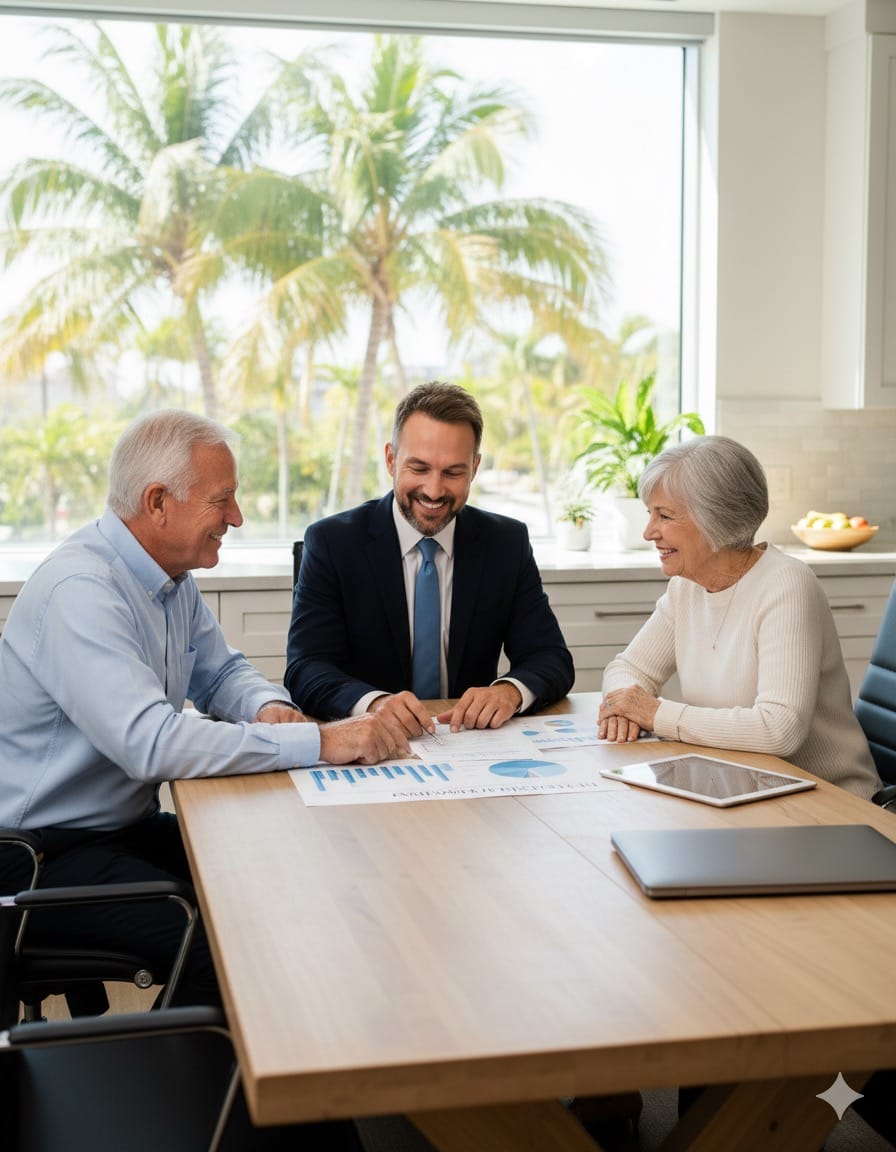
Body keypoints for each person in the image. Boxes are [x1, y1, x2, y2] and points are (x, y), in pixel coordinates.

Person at [0, 410, 405, 1016]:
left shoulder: (166, 577)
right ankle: (189, 1097)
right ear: (158, 502)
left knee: (283, 877)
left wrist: (268, 707)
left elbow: (220, 671)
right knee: (236, 943)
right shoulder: (80, 590)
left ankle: (300, 1070)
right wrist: (322, 742)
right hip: (36, 856)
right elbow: (154, 745)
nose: (236, 518)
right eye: (224, 500)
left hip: (111, 830)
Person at [598, 434, 881, 801]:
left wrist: (654, 714)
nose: (649, 531)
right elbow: (627, 668)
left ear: (715, 518)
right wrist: (624, 707)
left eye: (664, 516)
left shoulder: (785, 584)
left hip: (825, 800)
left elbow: (779, 730)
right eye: (650, 513)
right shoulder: (688, 588)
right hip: (736, 788)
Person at [285, 381, 574, 739]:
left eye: (453, 472)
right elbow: (306, 668)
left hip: (469, 747)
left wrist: (509, 691)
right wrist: (373, 702)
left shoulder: (506, 543)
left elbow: (551, 658)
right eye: (419, 468)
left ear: (475, 467)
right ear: (391, 459)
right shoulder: (332, 542)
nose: (434, 491)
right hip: (367, 747)